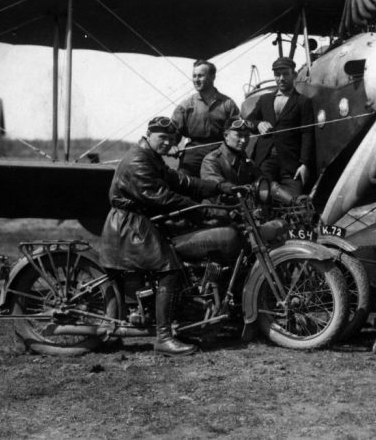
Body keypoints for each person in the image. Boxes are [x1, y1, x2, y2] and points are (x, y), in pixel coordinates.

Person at [98, 116, 233, 356]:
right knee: (169, 269)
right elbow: (161, 197)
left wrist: (216, 187)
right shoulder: (138, 160)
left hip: (140, 219)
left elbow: (179, 180)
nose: (166, 143)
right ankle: (163, 336)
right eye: (162, 138)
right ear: (149, 135)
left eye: (171, 139)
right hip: (129, 224)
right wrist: (201, 210)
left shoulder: (151, 157)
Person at [245, 56, 315, 198]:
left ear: (294, 75)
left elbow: (307, 133)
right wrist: (259, 124)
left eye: (285, 74)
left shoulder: (303, 102)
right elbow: (248, 121)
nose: (281, 78)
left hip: (291, 164)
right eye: (277, 74)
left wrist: (304, 164)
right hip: (265, 160)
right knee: (262, 197)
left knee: (293, 200)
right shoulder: (265, 100)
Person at [200, 118, 296, 205]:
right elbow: (219, 190)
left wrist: (292, 201)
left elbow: (265, 183)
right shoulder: (211, 160)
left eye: (246, 136)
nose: (243, 140)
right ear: (226, 136)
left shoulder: (246, 160)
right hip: (219, 212)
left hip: (244, 209)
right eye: (239, 135)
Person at [171, 60, 240, 177]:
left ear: (212, 77)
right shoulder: (186, 105)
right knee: (182, 179)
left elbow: (237, 130)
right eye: (194, 76)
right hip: (194, 150)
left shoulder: (228, 104)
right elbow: (173, 130)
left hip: (221, 150)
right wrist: (172, 144)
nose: (196, 80)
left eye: (200, 76)